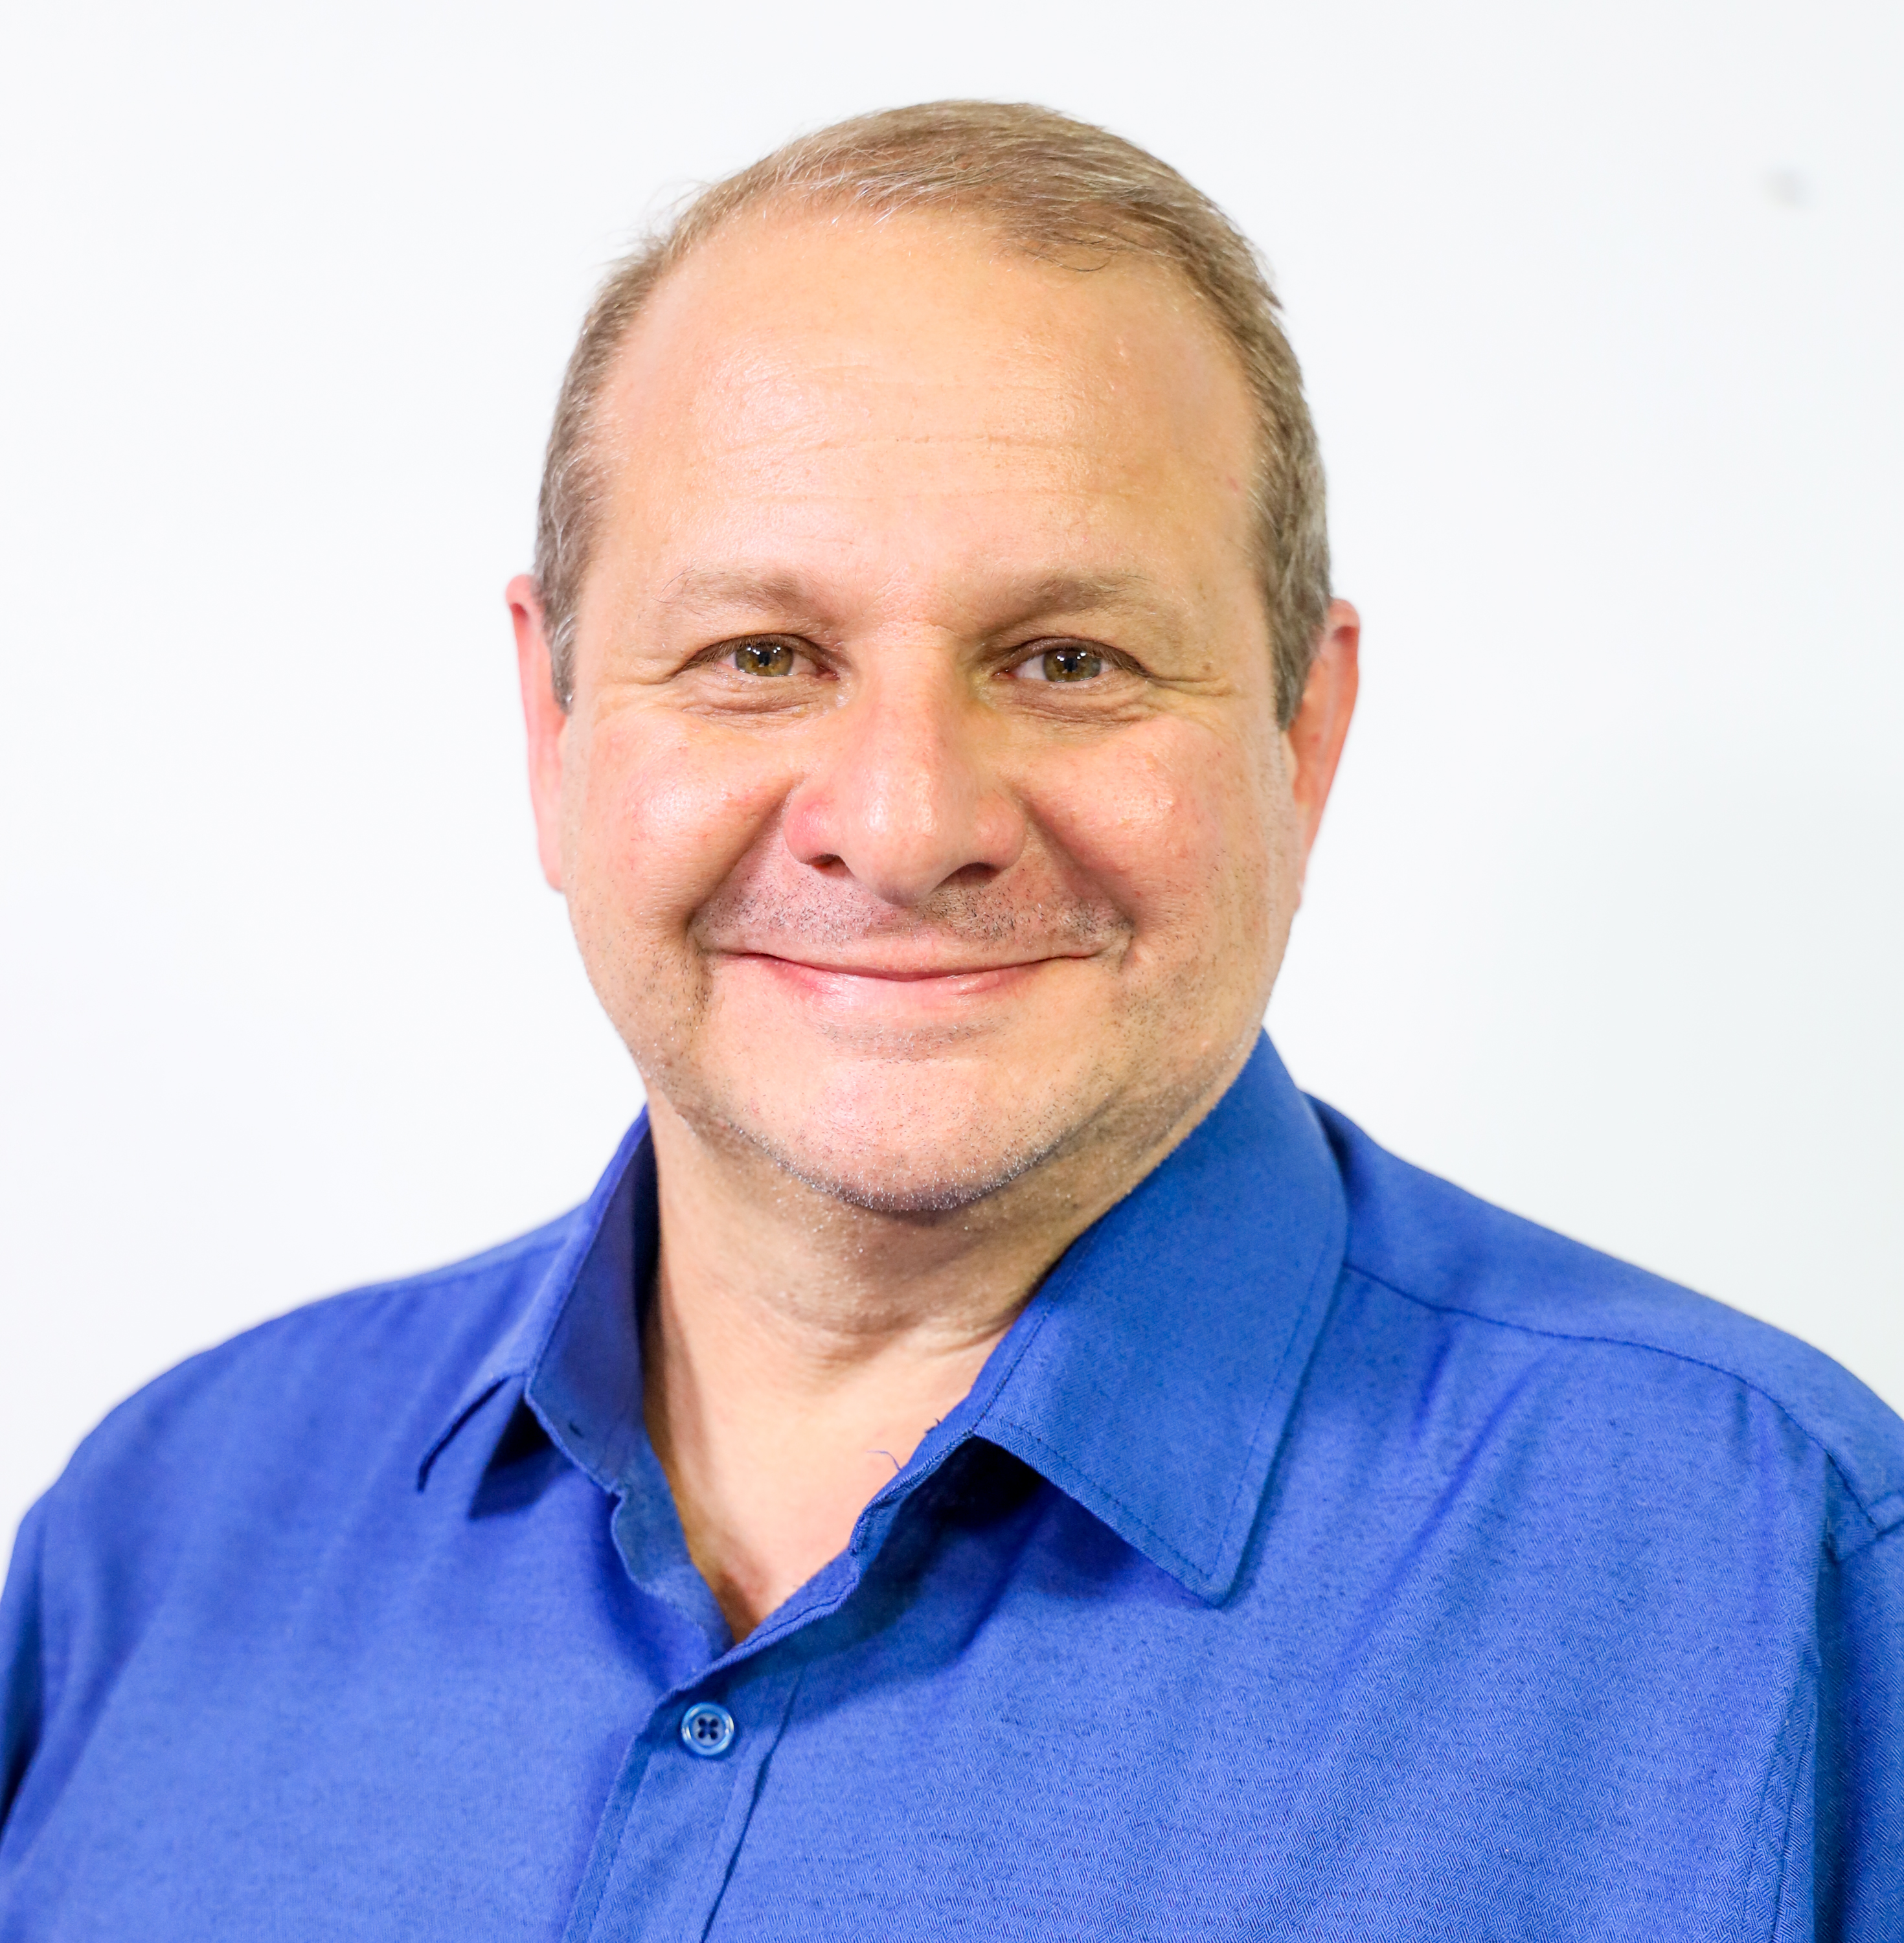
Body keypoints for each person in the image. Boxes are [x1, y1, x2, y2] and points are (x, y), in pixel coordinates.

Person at [1, 99, 1898, 1942]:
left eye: (1068, 660)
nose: (906, 824)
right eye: (760, 656)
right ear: (554, 726)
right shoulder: (157, 1536)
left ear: (1303, 739)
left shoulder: (1772, 1585)